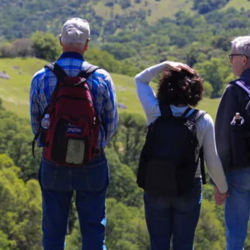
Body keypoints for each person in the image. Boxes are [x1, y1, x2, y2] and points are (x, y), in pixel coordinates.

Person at [29, 17, 118, 250]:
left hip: (53, 162)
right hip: (91, 162)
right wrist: (94, 146)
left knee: (53, 230)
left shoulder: (40, 77)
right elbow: (111, 123)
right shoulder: (101, 78)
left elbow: (36, 125)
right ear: (87, 44)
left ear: (60, 41)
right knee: (93, 230)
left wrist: (50, 144)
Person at [135, 61, 228, 250]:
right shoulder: (202, 120)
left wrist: (164, 65)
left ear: (165, 88)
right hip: (188, 187)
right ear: (195, 91)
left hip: (155, 185)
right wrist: (222, 188)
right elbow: (212, 161)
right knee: (184, 245)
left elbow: (140, 80)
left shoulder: (154, 111)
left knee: (158, 245)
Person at [215, 36, 250, 250]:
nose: (231, 61)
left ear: (244, 60)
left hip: (240, 174)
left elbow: (223, 140)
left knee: (235, 237)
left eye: (233, 56)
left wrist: (220, 182)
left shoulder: (234, 91)